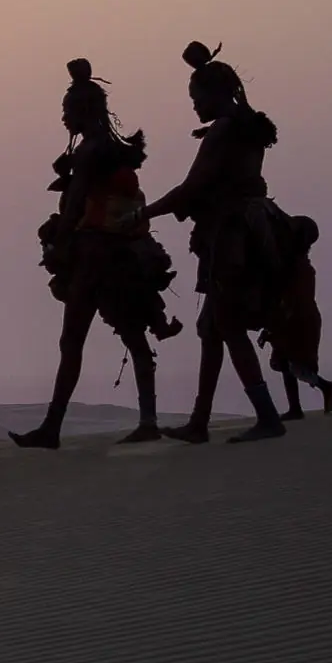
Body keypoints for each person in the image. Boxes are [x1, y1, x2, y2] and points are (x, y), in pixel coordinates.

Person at [11, 60, 184, 450]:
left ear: (81, 111)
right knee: (133, 336)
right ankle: (147, 419)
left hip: (93, 257)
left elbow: (74, 208)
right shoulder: (114, 150)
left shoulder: (90, 151)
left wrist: (58, 242)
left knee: (73, 340)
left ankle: (53, 428)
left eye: (67, 110)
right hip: (121, 254)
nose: (63, 117)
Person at [142, 42, 291, 444]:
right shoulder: (246, 127)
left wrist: (145, 213)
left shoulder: (224, 131)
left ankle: (267, 416)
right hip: (238, 231)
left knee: (227, 325)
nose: (194, 107)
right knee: (211, 328)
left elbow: (192, 187)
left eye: (196, 98)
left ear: (212, 93)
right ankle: (199, 422)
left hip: (229, 237)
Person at [260, 214, 332, 418]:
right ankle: (295, 406)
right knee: (286, 363)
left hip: (298, 319)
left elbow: (294, 299)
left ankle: (323, 387)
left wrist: (275, 324)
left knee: (294, 364)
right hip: (294, 317)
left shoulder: (298, 267)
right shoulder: (295, 265)